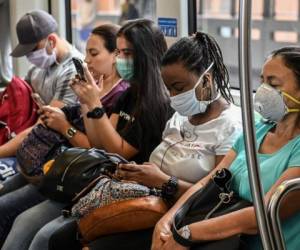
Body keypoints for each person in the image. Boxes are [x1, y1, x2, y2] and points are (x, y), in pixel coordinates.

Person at [33, 31, 242, 250]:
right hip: (144, 200)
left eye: (179, 88)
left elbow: (217, 196)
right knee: (59, 238)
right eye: (169, 88)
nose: (173, 96)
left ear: (206, 80)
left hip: (181, 215)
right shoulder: (179, 116)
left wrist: (164, 181)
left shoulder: (230, 127)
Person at [0, 19, 173, 250]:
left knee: (39, 233)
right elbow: (99, 147)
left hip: (117, 186)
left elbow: (117, 152)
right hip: (94, 177)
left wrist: (93, 105)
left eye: (127, 53)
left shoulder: (154, 104)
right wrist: (86, 103)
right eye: (120, 52)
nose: (121, 59)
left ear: (145, 54)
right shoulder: (129, 96)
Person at [152, 46, 300, 250]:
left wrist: (189, 233)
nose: (264, 90)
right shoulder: (256, 131)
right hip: (226, 242)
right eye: (262, 81)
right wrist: (168, 220)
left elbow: (265, 213)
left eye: (273, 83)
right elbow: (208, 181)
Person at [0, 9, 83, 181]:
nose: (30, 57)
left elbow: (42, 127)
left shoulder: (72, 71)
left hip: (50, 153)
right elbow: (19, 97)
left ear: (51, 40)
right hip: (27, 144)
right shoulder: (38, 68)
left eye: (33, 50)